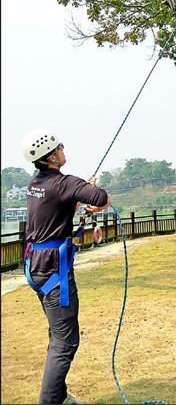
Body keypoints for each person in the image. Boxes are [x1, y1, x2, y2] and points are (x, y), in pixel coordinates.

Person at [22, 128, 110, 405]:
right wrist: (88, 190)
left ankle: (58, 396)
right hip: (53, 273)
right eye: (59, 146)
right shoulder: (63, 184)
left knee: (57, 334)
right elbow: (102, 199)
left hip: (35, 268)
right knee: (66, 342)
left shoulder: (36, 184)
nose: (63, 149)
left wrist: (78, 194)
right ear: (50, 157)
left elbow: (59, 205)